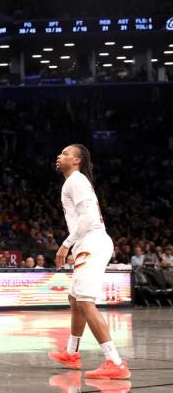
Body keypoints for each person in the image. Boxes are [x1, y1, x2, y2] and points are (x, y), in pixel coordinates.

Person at [49, 144, 130, 380]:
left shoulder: (76, 180)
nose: (59, 155)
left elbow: (90, 217)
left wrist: (66, 244)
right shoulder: (74, 181)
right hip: (88, 243)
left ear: (76, 161)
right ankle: (72, 353)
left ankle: (114, 361)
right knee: (75, 298)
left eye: (64, 153)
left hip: (91, 241)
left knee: (85, 302)